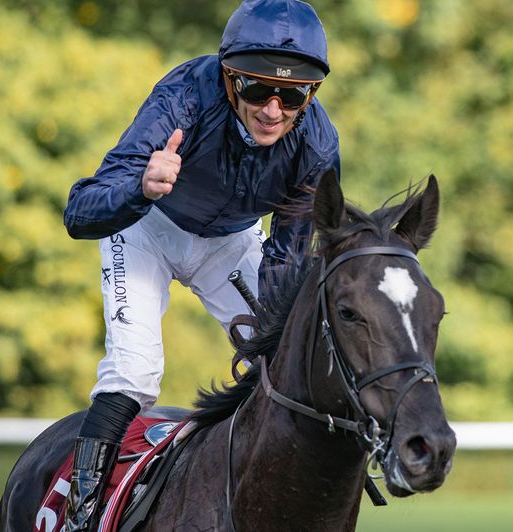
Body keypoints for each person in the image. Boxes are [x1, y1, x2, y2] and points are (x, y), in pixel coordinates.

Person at [60, 0, 339, 529]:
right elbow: (80, 212)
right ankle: (81, 515)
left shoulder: (318, 145)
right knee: (135, 372)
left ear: (312, 93)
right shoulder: (184, 95)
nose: (273, 110)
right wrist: (140, 188)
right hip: (146, 226)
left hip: (230, 243)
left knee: (290, 358)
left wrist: (275, 344)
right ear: (230, 79)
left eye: (292, 95)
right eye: (257, 89)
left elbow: (285, 259)